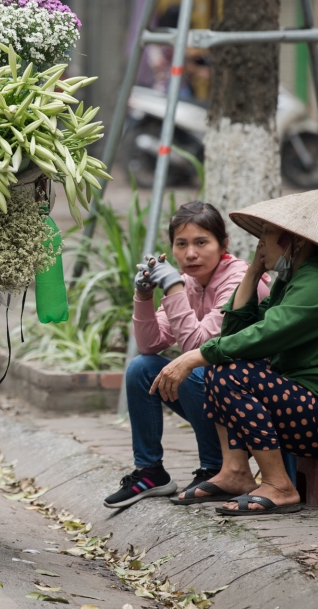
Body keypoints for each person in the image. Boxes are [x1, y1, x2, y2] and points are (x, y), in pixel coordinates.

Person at [149, 190, 318, 515]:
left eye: (267, 237)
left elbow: (263, 335)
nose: (260, 245)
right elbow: (236, 332)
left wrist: (194, 356)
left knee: (229, 373)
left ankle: (280, 486)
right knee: (221, 366)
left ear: (297, 241)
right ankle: (235, 472)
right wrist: (252, 272)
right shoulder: (291, 280)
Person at [103, 201, 270, 509]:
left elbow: (200, 347)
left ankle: (214, 467)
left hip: (257, 405)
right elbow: (149, 345)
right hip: (220, 397)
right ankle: (150, 472)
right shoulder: (189, 282)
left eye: (201, 242)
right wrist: (143, 296)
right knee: (142, 368)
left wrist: (173, 287)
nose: (190, 253)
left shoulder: (240, 280)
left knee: (196, 369)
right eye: (181, 244)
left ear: (224, 245)